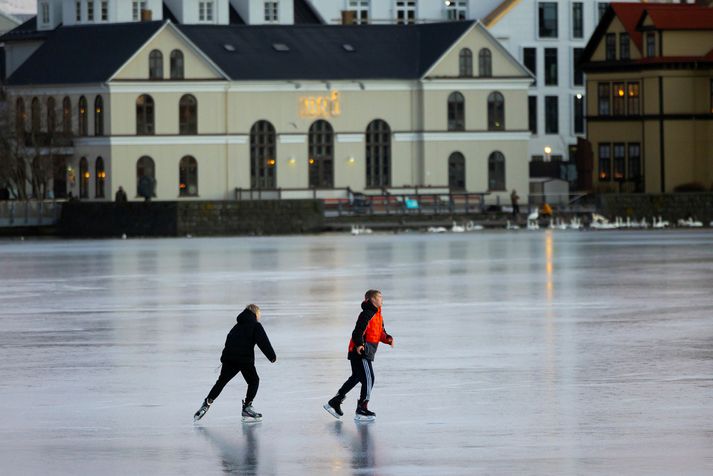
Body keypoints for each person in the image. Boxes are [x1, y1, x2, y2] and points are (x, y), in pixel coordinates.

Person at [194, 304, 277, 422]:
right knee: (254, 381)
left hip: (229, 358)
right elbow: (263, 342)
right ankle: (247, 407)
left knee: (221, 381)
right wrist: (272, 357)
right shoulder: (255, 326)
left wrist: (224, 359)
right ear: (255, 314)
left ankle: (207, 402)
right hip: (244, 359)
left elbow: (229, 341)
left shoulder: (237, 326)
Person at [324, 290, 394, 420]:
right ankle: (362, 407)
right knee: (369, 379)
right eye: (379, 297)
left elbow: (380, 333)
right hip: (361, 352)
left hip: (364, 351)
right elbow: (357, 331)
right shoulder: (367, 313)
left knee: (356, 377)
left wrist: (387, 339)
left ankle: (335, 401)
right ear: (372, 300)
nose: (382, 300)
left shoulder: (378, 315)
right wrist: (359, 345)